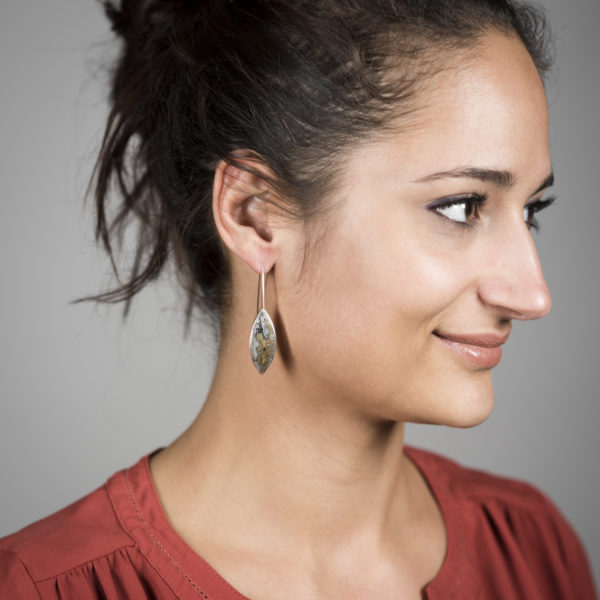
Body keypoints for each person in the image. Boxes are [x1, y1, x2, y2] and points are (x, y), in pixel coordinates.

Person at [0, 0, 597, 598]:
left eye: (532, 211)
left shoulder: (533, 548)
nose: (533, 294)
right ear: (255, 216)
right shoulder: (43, 587)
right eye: (461, 207)